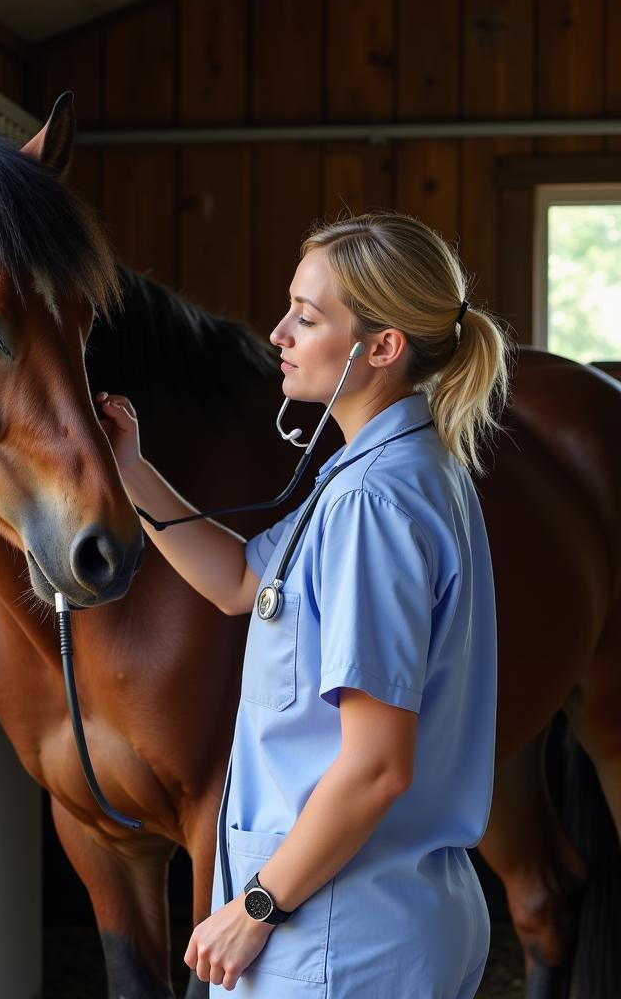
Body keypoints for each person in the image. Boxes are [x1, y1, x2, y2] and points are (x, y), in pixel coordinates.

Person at [97, 212, 511, 997]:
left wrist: (254, 907)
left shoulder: (373, 504)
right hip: (371, 919)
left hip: (335, 933)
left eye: (309, 317)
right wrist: (131, 466)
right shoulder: (391, 471)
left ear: (382, 348)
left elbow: (377, 765)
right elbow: (237, 584)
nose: (278, 332)